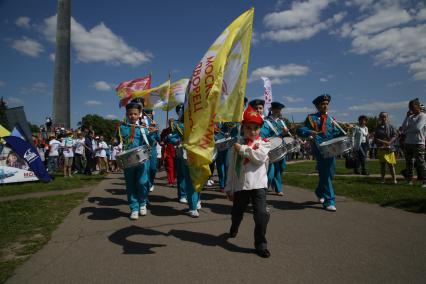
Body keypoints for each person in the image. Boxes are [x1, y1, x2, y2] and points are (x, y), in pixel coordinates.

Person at [225, 105, 271, 258]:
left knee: (261, 215)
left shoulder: (264, 143)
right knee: (236, 213)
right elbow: (232, 168)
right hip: (241, 187)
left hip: (259, 186)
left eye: (256, 128)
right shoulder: (237, 144)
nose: (252, 131)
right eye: (249, 128)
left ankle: (260, 244)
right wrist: (229, 187)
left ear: (260, 129)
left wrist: (243, 149)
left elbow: (259, 158)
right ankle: (234, 226)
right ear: (243, 128)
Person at [297, 94, 345, 212]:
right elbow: (300, 130)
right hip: (319, 148)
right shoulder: (311, 118)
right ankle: (329, 201)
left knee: (330, 173)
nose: (325, 106)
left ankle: (319, 191)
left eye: (327, 104)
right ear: (317, 106)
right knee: (325, 173)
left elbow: (336, 133)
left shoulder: (331, 119)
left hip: (332, 148)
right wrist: (309, 131)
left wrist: (345, 130)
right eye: (323, 104)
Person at [119, 102, 155, 220]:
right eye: (130, 114)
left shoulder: (144, 128)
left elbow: (152, 142)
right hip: (128, 160)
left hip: (142, 159)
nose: (132, 116)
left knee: (142, 182)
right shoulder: (122, 127)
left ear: (139, 114)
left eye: (135, 114)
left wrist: (153, 132)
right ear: (126, 114)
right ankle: (134, 208)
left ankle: (143, 203)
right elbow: (117, 140)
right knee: (130, 184)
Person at [166, 104, 200, 217]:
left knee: (199, 179)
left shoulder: (200, 123)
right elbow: (170, 137)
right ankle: (192, 206)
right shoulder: (179, 125)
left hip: (199, 154)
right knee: (190, 181)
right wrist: (174, 140)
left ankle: (197, 200)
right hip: (185, 154)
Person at [261, 101, 289, 196]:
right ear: (271, 110)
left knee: (281, 167)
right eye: (276, 109)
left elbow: (284, 135)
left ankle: (275, 184)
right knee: (271, 172)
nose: (278, 111)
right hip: (271, 148)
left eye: (279, 109)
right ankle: (277, 188)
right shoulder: (266, 121)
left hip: (281, 147)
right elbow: (263, 134)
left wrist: (286, 133)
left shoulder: (282, 121)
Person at [401, 99, 426, 187]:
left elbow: (417, 128)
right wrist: (407, 117)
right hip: (408, 142)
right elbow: (403, 128)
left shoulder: (423, 116)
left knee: (420, 162)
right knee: (409, 163)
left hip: (418, 143)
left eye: (412, 107)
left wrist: (407, 131)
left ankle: (424, 181)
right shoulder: (410, 117)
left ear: (418, 106)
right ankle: (409, 180)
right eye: (409, 107)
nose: (411, 109)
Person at [374, 112, 398, 184]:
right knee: (382, 165)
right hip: (381, 148)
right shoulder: (377, 127)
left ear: (387, 118)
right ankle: (382, 179)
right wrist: (378, 142)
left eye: (384, 117)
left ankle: (394, 179)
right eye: (381, 117)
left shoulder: (391, 126)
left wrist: (390, 142)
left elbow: (395, 135)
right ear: (379, 118)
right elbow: (375, 138)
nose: (383, 118)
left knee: (391, 165)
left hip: (389, 149)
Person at [143, 109, 160, 192]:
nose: (148, 116)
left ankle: (151, 182)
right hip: (143, 149)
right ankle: (146, 185)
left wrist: (157, 131)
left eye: (149, 115)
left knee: (153, 168)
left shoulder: (155, 124)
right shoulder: (141, 125)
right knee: (145, 169)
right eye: (146, 115)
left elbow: (159, 139)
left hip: (152, 149)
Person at [160, 118, 176, 186]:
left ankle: (174, 179)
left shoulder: (177, 130)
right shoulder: (165, 131)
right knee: (169, 166)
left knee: (176, 166)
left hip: (176, 150)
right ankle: (170, 181)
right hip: (168, 150)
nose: (171, 123)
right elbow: (160, 140)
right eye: (170, 122)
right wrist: (163, 141)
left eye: (173, 122)